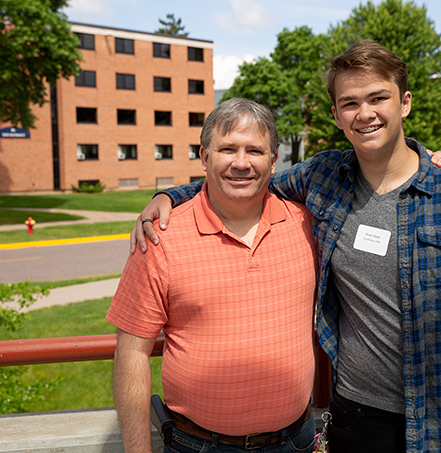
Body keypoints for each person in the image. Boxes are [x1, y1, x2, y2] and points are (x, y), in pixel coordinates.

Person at [132, 40, 441, 453]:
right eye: (350, 102)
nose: (365, 113)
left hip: (437, 424)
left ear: (404, 103)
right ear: (336, 114)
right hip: (350, 418)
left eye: (378, 98)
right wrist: (171, 196)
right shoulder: (323, 179)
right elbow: (245, 178)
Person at [108, 98, 320, 453]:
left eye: (254, 150)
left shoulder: (307, 224)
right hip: (199, 445)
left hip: (296, 440)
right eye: (227, 149)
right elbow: (131, 353)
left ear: (273, 159)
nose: (241, 163)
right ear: (204, 157)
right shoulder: (160, 236)